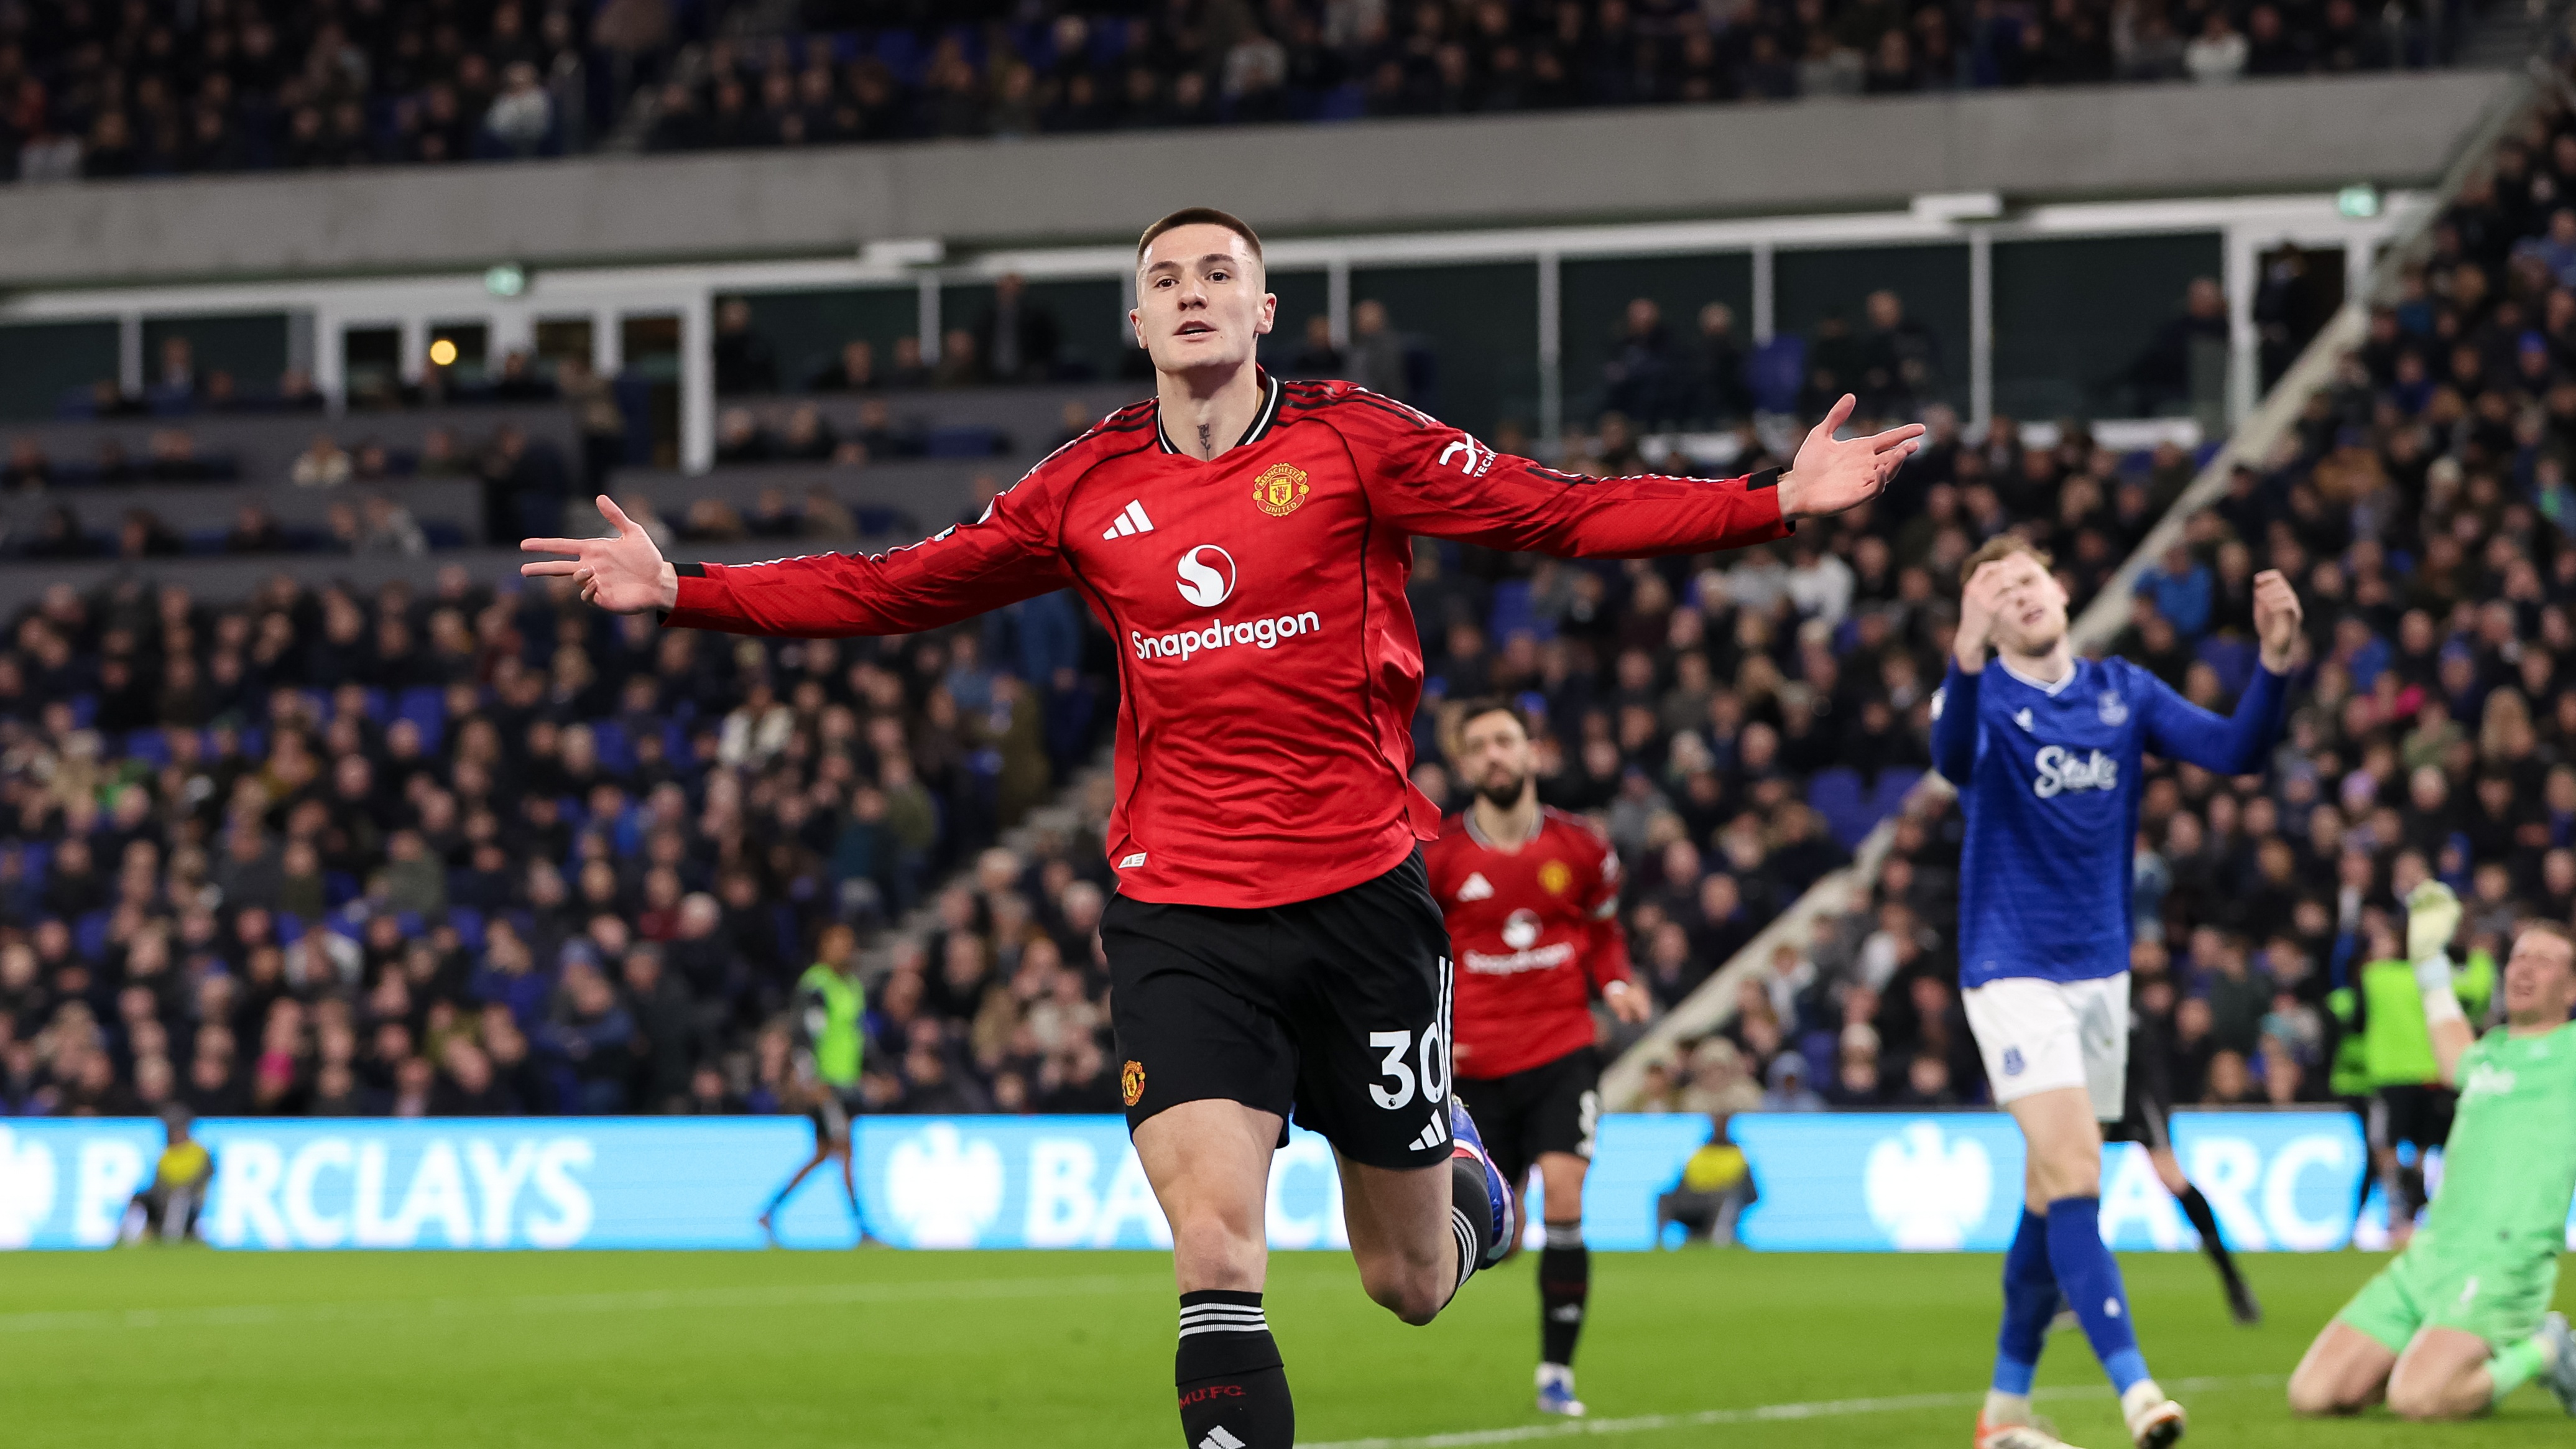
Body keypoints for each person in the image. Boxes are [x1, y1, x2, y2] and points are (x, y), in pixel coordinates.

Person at [524, 205, 1919, 1449]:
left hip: (1364, 897)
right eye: (1163, 278)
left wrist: (1770, 501)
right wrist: (687, 588)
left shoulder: (1352, 440)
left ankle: (1462, 1183)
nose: (1190, 292)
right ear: (1135, 320)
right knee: (1214, 1241)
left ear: (1264, 311)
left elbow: (1551, 511)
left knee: (1410, 1283)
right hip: (1181, 912)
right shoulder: (1085, 485)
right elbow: (902, 585)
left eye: (1219, 274)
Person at [1929, 534, 2302, 1449]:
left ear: (2060, 587)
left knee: (2046, 1190)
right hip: (2009, 968)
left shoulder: (2120, 690)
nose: (2017, 593)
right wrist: (1964, 651)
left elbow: (2236, 751)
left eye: (2027, 577)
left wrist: (2275, 660)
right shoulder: (1979, 695)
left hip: (2099, 974)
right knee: (2078, 1173)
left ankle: (2004, 1411)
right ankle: (2138, 1394)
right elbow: (1948, 758)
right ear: (1981, 614)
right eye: (1995, 588)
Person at [1428, 700, 1652, 1419]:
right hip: (1476, 1063)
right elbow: (1419, 958)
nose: (1494, 755)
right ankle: (1496, 1227)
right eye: (1480, 746)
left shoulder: (1582, 847)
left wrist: (1615, 981)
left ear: (1533, 752)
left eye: (1505, 741)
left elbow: (1604, 929)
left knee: (1566, 1193)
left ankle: (1556, 1371)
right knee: (1507, 1233)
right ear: (1465, 764)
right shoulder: (1440, 857)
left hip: (1560, 1051)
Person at [2286, 889, 2576, 1420]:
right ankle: (2433, 1353)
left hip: (2503, 1266)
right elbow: (2451, 1056)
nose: (2523, 970)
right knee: (2312, 1394)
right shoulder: (2490, 1052)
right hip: (2431, 1256)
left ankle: (2546, 1348)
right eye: (2518, 958)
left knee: (2417, 1400)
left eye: (2544, 961)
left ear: (2572, 985)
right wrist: (2427, 962)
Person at [2104, 982, 2260, 1325]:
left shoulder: (2126, 1003)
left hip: (2136, 1097)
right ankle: (2069, 1291)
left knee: (2174, 1182)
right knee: (2073, 1182)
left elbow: (2144, 1056)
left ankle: (2231, 1278)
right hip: (2096, 1096)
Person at [757, 922, 870, 1244]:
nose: (844, 950)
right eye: (837, 943)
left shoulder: (851, 986)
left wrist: (872, 1070)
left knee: (823, 1153)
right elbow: (804, 1035)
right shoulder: (817, 986)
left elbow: (856, 1034)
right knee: (845, 1149)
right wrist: (810, 1078)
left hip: (845, 1079)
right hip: (826, 1083)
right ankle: (861, 1227)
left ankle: (770, 1211)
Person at [120, 1108, 214, 1244]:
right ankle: (130, 1239)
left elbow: (200, 1180)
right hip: (165, 1199)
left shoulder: (200, 1152)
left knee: (180, 1196)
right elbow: (158, 1183)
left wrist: (177, 1190)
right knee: (139, 1198)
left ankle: (171, 1239)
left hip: (190, 1202)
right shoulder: (166, 1154)